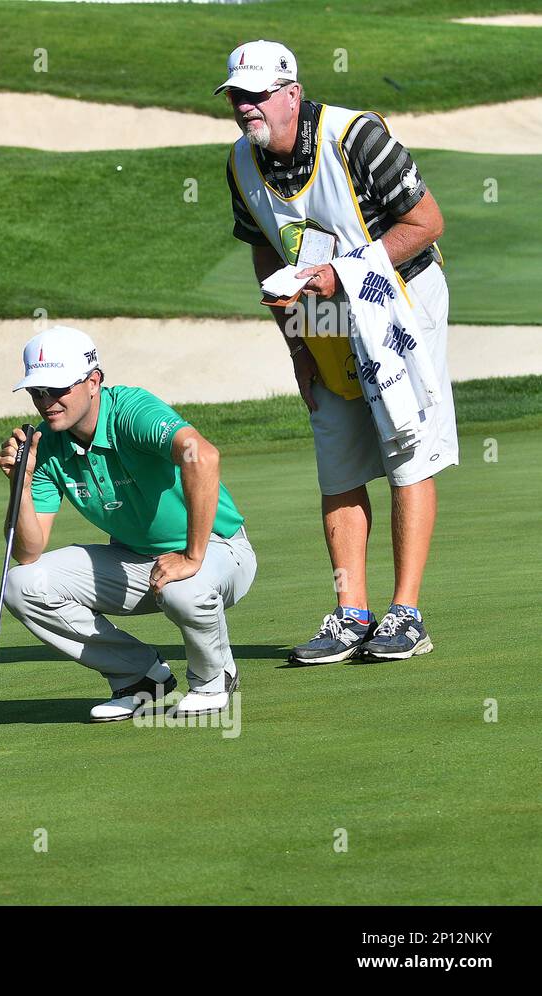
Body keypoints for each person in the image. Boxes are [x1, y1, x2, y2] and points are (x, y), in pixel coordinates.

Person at [218, 39, 455, 664]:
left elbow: (427, 223)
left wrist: (344, 273)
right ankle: (352, 614)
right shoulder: (241, 165)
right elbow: (266, 250)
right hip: (322, 310)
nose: (247, 108)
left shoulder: (358, 137)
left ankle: (406, 614)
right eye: (238, 97)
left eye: (258, 96)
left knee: (406, 443)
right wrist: (297, 343)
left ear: (291, 94)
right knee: (338, 452)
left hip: (398, 299)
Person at [0, 325, 256, 720]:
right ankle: (139, 678)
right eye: (37, 392)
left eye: (58, 389)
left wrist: (191, 555)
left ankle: (213, 679)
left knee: (182, 589)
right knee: (21, 585)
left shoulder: (132, 410)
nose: (47, 402)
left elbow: (201, 456)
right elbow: (28, 551)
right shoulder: (46, 445)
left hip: (218, 551)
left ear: (93, 381)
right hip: (133, 562)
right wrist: (23, 482)